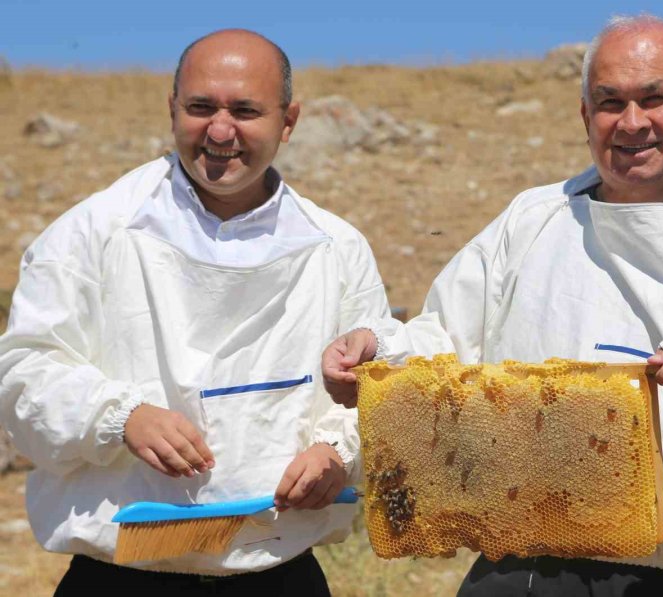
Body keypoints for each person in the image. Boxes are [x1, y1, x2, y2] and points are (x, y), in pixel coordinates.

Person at [322, 14, 663, 597]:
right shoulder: (532, 219)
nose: (632, 122)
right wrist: (381, 353)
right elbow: (447, 340)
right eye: (610, 102)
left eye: (655, 98)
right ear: (585, 115)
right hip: (518, 568)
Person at [0, 29, 390, 596]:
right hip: (121, 580)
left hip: (280, 576)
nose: (220, 131)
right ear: (172, 109)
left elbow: (380, 384)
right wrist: (121, 418)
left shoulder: (336, 247)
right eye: (201, 107)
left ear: (288, 121)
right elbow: (23, 375)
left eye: (246, 111)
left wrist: (337, 453)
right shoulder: (94, 232)